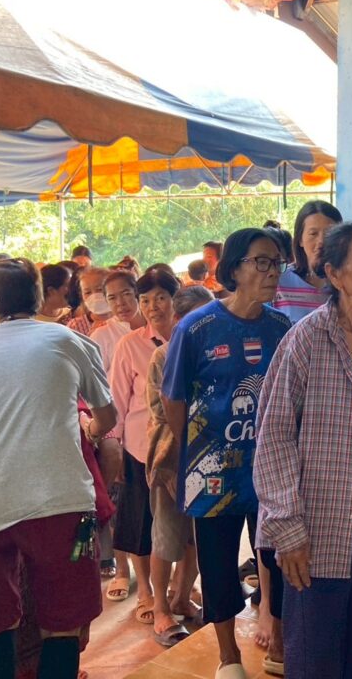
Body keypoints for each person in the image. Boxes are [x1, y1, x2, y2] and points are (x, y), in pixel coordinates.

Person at [0, 258, 117, 679]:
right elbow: (106, 418)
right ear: (38, 301)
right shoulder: (69, 340)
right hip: (57, 499)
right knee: (63, 624)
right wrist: (87, 429)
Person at [255, 221, 352, 679]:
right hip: (317, 532)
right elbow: (273, 434)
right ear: (334, 273)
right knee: (316, 661)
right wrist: (287, 526)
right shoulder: (307, 338)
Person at [163, 228, 291, 679]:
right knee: (217, 564)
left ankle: (278, 639)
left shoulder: (281, 328)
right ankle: (228, 656)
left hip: (270, 468)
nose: (273, 272)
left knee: (275, 557)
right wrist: (200, 447)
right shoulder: (195, 328)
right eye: (262, 262)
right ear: (234, 269)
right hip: (212, 470)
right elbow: (173, 399)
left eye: (277, 263)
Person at [107, 269, 179, 630]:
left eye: (161, 298)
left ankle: (180, 589)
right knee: (141, 524)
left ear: (175, 299)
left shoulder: (189, 338)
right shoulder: (129, 344)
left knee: (179, 526)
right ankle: (147, 593)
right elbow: (117, 400)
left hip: (182, 450)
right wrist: (116, 446)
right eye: (146, 300)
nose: (153, 307)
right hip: (140, 448)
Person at [146, 286, 214, 646]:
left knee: (197, 539)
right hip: (171, 459)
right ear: (180, 320)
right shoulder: (164, 355)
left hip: (210, 460)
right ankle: (160, 607)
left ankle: (182, 597)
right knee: (167, 537)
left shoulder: (217, 353)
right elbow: (161, 410)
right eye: (198, 318)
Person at [91, 269, 146, 600]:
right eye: (112, 298)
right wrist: (113, 437)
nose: (120, 303)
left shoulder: (157, 328)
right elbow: (100, 391)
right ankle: (123, 570)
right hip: (116, 428)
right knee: (122, 504)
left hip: (147, 429)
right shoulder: (103, 336)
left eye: (126, 294)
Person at [272, 201, 342, 322]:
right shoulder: (279, 281)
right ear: (300, 240)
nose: (321, 241)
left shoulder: (347, 284)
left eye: (329, 233)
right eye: (313, 233)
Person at [66, 267, 113, 338]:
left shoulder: (124, 320)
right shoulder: (75, 326)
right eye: (87, 292)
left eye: (99, 289)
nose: (94, 296)